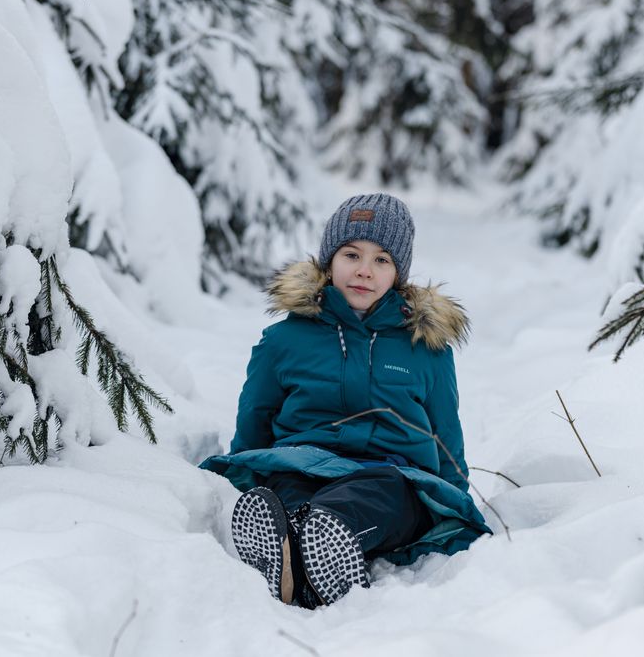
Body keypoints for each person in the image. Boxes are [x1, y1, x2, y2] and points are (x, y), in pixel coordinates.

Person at [200, 193, 490, 608]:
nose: (364, 271)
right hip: (301, 462)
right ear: (329, 261)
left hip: (392, 475)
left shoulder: (425, 348)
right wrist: (242, 470)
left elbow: (445, 430)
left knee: (371, 499)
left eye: (381, 260)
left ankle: (321, 539)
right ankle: (290, 548)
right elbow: (256, 414)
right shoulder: (285, 340)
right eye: (351, 254)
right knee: (288, 490)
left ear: (398, 273)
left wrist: (454, 499)